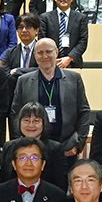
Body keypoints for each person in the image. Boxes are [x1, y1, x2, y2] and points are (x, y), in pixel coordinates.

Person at [9, 37, 91, 188]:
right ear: (35, 55)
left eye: (48, 51)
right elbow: (15, 114)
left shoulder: (74, 78)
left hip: (66, 148)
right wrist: (22, 143)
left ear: (57, 53)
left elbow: (84, 112)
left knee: (61, 193)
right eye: (40, 52)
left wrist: (77, 143)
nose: (45, 56)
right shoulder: (24, 80)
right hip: (32, 151)